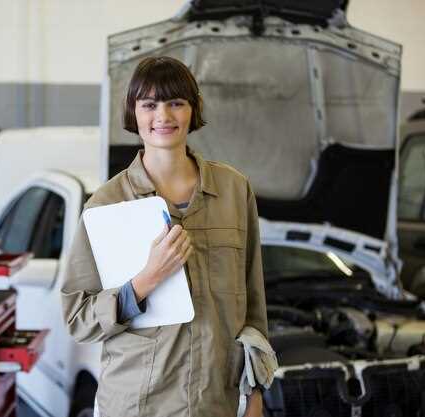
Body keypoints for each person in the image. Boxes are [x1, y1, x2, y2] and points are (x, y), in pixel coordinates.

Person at [61, 56, 270, 417]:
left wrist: (254, 394)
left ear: (193, 110)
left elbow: (254, 304)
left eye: (176, 102)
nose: (163, 116)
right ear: (133, 113)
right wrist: (144, 282)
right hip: (138, 405)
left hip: (215, 403)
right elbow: (78, 317)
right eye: (149, 104)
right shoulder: (107, 203)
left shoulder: (235, 190)